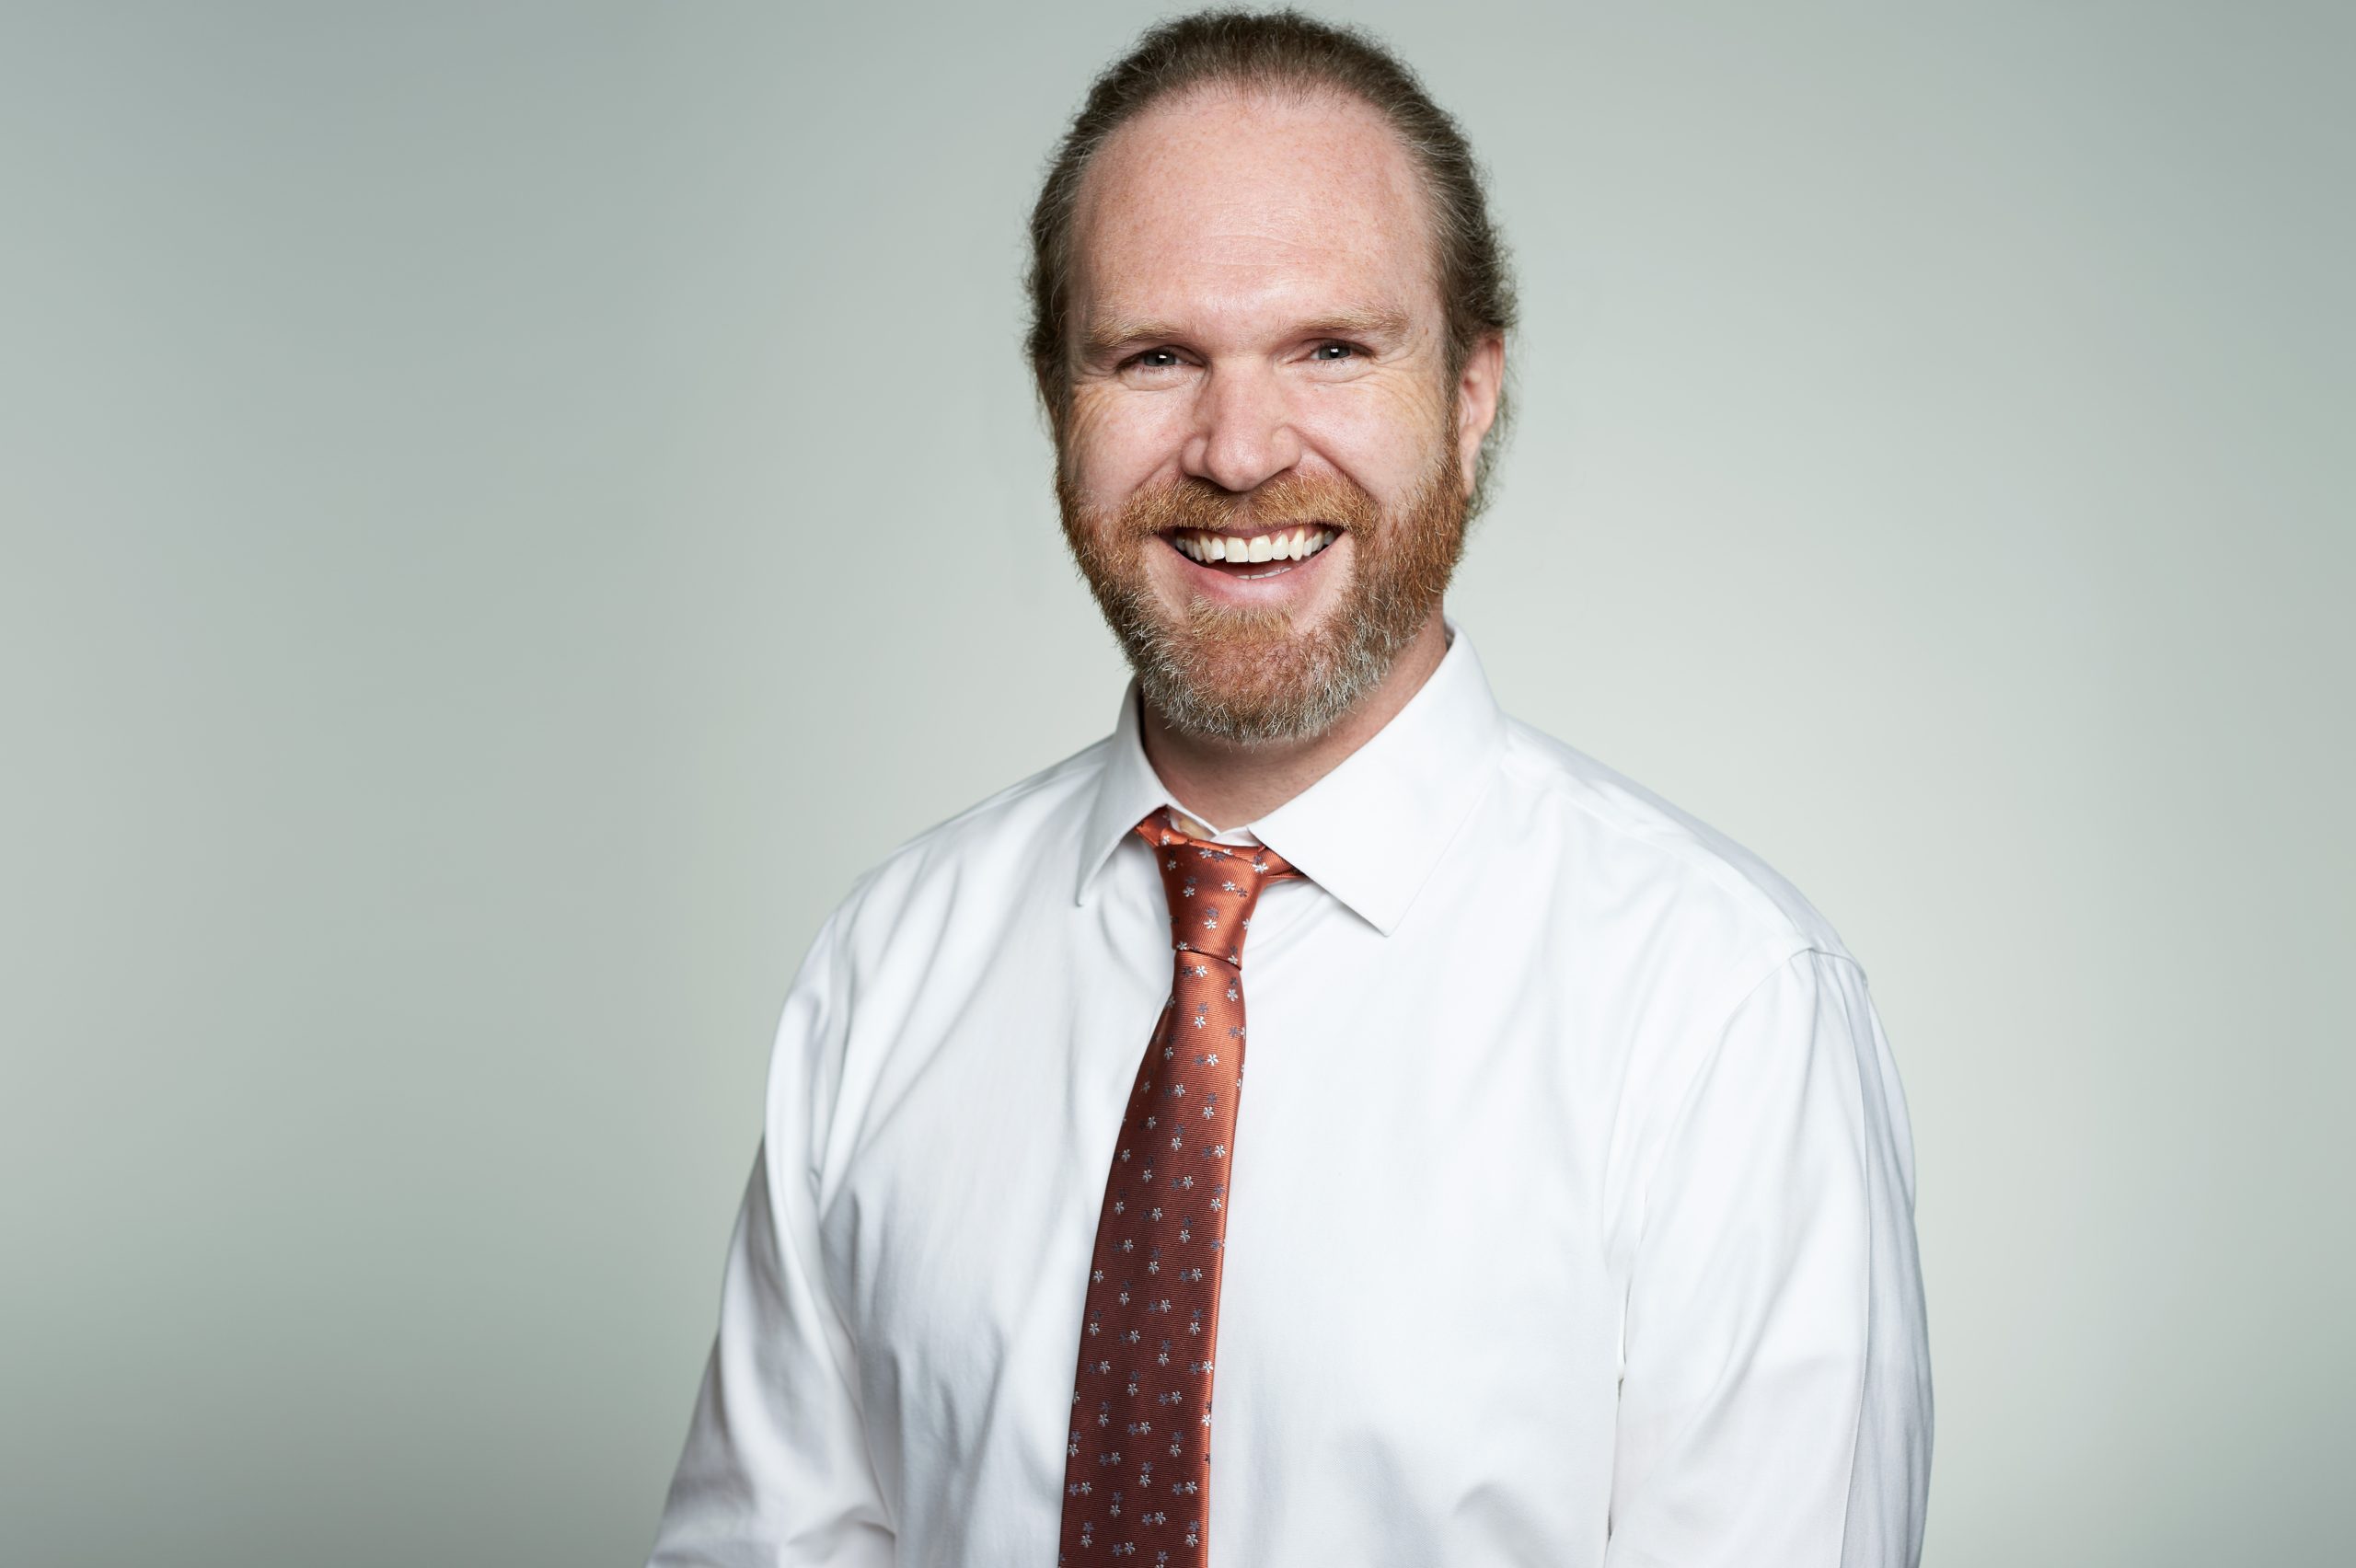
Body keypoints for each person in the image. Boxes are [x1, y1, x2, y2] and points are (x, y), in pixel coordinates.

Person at [647, 8, 1932, 1565]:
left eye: (1330, 347)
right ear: (1061, 401)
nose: (1241, 450)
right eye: (1154, 357)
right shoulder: (889, 969)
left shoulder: (1721, 1013)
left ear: (1469, 392)